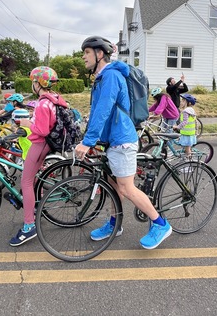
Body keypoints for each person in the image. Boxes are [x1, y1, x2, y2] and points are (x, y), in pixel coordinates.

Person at [74, 36, 172, 250]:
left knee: (127, 188)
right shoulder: (101, 78)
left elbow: (104, 110)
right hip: (112, 141)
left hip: (123, 141)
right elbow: (100, 112)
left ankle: (160, 224)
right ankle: (114, 224)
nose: (83, 56)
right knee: (113, 186)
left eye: (87, 52)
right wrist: (96, 139)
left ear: (100, 54)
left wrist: (88, 141)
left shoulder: (110, 76)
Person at [9, 66, 68, 247]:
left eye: (33, 82)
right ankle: (33, 209)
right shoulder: (53, 99)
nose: (32, 85)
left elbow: (41, 130)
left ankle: (29, 226)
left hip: (39, 144)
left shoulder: (42, 103)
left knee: (26, 182)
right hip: (47, 145)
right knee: (32, 180)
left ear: (39, 83)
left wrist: (28, 123)